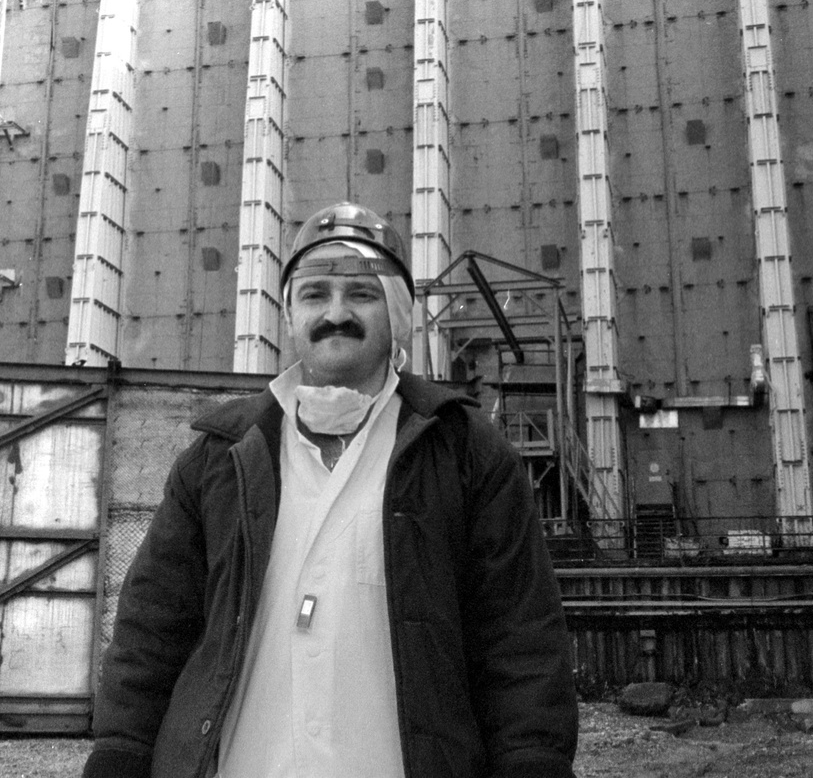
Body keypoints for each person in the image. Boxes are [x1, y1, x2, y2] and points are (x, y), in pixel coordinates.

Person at [83, 202, 579, 778]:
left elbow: (520, 639)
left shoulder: (465, 452)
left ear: (397, 312)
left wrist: (533, 761)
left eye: (361, 294)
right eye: (315, 294)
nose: (335, 313)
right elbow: (151, 629)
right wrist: (120, 752)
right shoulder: (221, 457)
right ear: (291, 313)